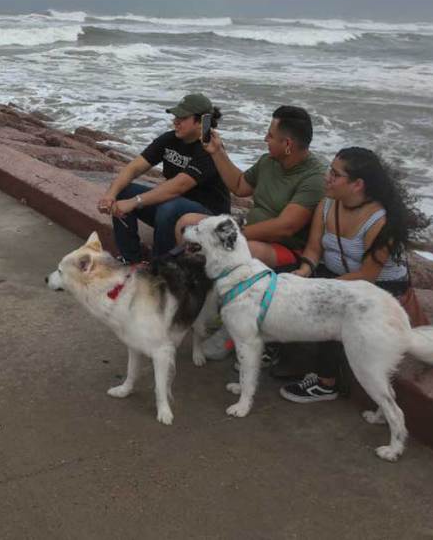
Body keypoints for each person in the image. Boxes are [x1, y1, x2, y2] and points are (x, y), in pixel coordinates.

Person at [177, 105, 327, 363]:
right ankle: (201, 304)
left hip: (287, 249)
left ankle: (229, 329)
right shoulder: (270, 161)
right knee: (187, 223)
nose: (265, 139)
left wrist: (235, 234)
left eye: (270, 135)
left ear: (288, 143)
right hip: (247, 234)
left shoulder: (314, 177)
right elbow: (239, 186)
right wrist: (217, 152)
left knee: (248, 252)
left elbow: (286, 227)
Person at [278, 147, 417, 403]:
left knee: (334, 306)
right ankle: (281, 354)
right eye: (329, 171)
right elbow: (313, 249)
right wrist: (305, 270)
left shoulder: (379, 220)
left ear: (357, 184)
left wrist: (319, 287)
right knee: (283, 280)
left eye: (335, 174)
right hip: (337, 275)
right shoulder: (327, 204)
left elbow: (367, 276)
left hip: (378, 286)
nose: (327, 177)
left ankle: (325, 382)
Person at [97, 93, 230, 263]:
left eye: (182, 118)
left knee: (169, 207)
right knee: (123, 190)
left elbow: (178, 186)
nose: (176, 121)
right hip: (172, 211)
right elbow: (134, 167)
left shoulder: (210, 148)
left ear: (201, 121)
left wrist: (135, 202)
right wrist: (111, 195)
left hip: (207, 217)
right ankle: (130, 260)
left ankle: (161, 268)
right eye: (175, 116)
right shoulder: (170, 139)